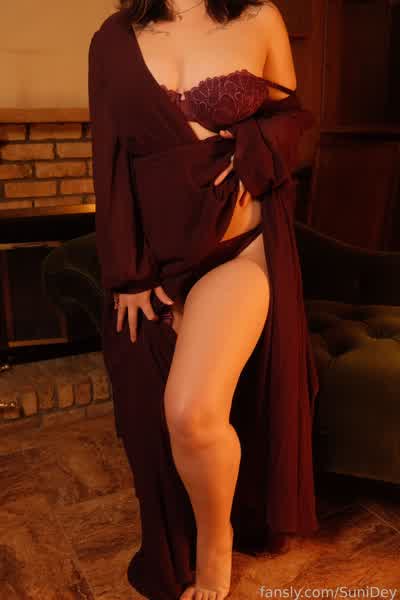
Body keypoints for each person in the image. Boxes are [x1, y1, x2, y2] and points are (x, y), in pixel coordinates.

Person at [88, 1, 320, 598]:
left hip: (236, 252)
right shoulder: (113, 39)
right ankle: (180, 531)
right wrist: (128, 275)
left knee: (190, 414)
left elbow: (291, 118)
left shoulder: (259, 17)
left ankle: (216, 543)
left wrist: (251, 147)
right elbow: (109, 161)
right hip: (158, 263)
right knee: (150, 408)